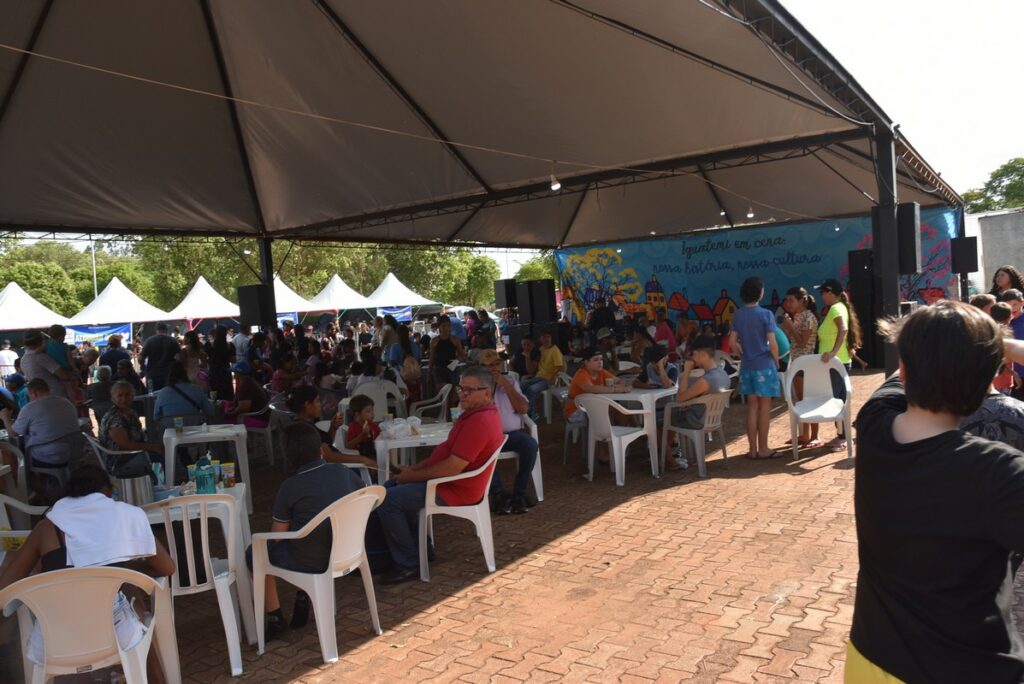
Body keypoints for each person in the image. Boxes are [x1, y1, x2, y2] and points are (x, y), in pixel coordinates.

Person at [848, 301, 1024, 682]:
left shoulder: (875, 427)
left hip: (869, 661)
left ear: (906, 371)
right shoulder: (1000, 473)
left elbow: (902, 375)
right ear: (985, 387)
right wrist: (1005, 346)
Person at [0, 464, 175, 683]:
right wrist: (125, 570)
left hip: (54, 644)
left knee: (117, 593)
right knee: (131, 596)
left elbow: (6, 585)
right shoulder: (127, 515)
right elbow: (167, 568)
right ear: (108, 493)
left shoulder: (47, 527)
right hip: (114, 638)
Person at [375, 366, 505, 584]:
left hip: (455, 488)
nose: (461, 394)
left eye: (468, 390)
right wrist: (414, 470)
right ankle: (421, 549)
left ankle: (408, 563)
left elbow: (452, 467)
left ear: (486, 393)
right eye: (460, 388)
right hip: (447, 482)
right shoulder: (473, 415)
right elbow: (445, 452)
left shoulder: (480, 421)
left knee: (389, 500)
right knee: (388, 487)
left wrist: (412, 476)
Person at [244, 421, 366, 638]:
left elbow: (278, 536)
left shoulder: (290, 487)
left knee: (255, 552)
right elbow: (365, 498)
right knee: (309, 534)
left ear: (289, 458)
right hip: (348, 551)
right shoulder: (342, 471)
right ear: (320, 450)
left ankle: (275, 616)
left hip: (312, 559)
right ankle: (303, 595)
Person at [478, 349, 538, 515]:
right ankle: (499, 495)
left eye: (497, 363)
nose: (495, 368)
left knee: (530, 445)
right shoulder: (476, 385)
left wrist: (505, 385)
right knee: (480, 450)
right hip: (488, 437)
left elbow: (523, 409)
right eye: (490, 365)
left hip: (511, 434)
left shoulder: (510, 381)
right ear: (481, 367)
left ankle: (520, 493)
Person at [661, 335, 732, 467]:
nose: (692, 358)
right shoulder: (723, 374)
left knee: (663, 420)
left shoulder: (705, 380)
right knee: (673, 414)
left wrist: (686, 371)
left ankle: (667, 458)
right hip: (712, 418)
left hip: (698, 420)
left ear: (703, 355)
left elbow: (679, 398)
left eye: (694, 354)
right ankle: (671, 455)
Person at [729, 276, 780, 459]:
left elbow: (731, 341)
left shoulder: (738, 315)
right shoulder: (766, 314)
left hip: (747, 367)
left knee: (751, 407)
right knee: (765, 407)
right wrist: (776, 360)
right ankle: (764, 448)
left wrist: (741, 353)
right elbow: (773, 344)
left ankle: (752, 450)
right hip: (764, 365)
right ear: (760, 293)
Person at [815, 278, 861, 452]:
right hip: (837, 364)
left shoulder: (835, 308)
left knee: (835, 401)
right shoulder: (837, 308)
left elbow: (843, 329)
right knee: (838, 400)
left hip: (836, 364)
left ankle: (843, 438)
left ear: (830, 293)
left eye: (823, 292)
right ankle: (842, 435)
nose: (821, 296)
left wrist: (833, 352)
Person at [0, 377, 80, 470]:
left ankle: (29, 481)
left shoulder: (30, 407)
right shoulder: (67, 402)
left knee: (16, 455)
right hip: (74, 453)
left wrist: (5, 418)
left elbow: (13, 433)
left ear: (33, 394)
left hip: (49, 457)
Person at [780, 286, 821, 446]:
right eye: (787, 300)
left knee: (809, 399)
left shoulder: (808, 317)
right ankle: (804, 435)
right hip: (798, 362)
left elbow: (803, 343)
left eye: (791, 300)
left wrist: (790, 326)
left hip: (806, 363)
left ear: (801, 301)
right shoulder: (798, 316)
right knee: (801, 400)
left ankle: (815, 436)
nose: (788, 303)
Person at [99, 380, 164, 457]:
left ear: (133, 396)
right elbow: (126, 446)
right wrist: (153, 447)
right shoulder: (115, 418)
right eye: (120, 396)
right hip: (122, 459)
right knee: (163, 454)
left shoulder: (130, 412)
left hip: (136, 452)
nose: (124, 399)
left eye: (127, 395)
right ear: (113, 398)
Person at [520, 330, 564, 419]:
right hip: (539, 377)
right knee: (521, 385)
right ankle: (527, 409)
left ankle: (533, 413)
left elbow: (560, 367)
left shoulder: (555, 350)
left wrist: (554, 376)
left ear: (551, 338)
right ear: (540, 339)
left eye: (548, 336)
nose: (546, 339)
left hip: (549, 379)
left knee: (531, 389)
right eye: (544, 337)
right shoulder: (541, 349)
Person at [19, 329, 74, 399]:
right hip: (55, 396)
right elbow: (64, 376)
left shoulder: (23, 359)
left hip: (38, 397)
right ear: (41, 341)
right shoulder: (42, 358)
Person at [140, 323, 181, 391]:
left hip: (152, 374)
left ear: (156, 330)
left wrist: (143, 367)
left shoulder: (149, 341)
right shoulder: (173, 341)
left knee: (153, 396)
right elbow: (180, 359)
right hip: (169, 374)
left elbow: (141, 359)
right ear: (166, 330)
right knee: (168, 395)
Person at [428, 316, 466, 390]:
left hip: (452, 368)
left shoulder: (455, 339)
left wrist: (457, 361)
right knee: (442, 393)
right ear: (439, 327)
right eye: (443, 326)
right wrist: (429, 374)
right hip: (439, 369)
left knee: (452, 393)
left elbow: (462, 355)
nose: (446, 328)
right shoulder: (434, 341)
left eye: (448, 326)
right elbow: (431, 358)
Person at [345, 394, 381, 461]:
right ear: (357, 414)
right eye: (368, 411)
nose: (372, 413)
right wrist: (362, 435)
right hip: (360, 457)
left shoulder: (373, 425)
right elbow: (349, 446)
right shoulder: (353, 427)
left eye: (372, 410)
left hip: (374, 455)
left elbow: (380, 439)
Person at [206, 324, 235, 401]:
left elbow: (205, 358)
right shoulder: (230, 345)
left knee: (214, 395)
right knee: (227, 394)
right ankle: (227, 410)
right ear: (225, 333)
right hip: (225, 372)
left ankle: (215, 411)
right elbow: (233, 360)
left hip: (214, 372)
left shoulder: (209, 345)